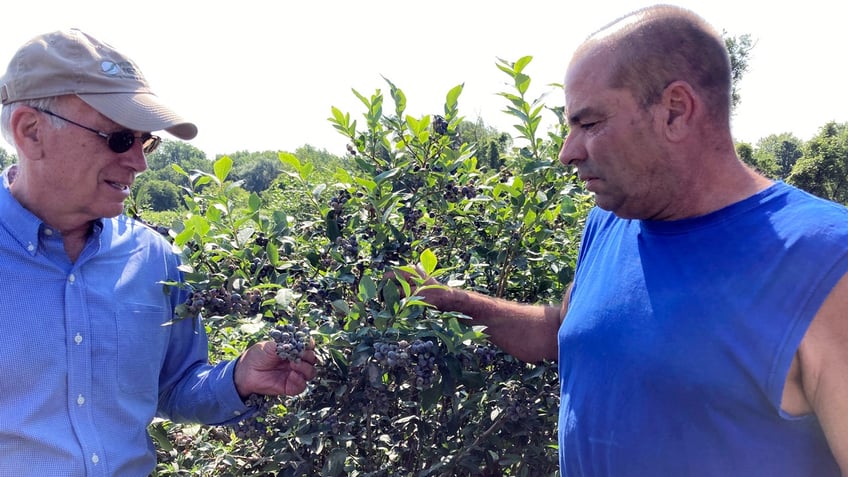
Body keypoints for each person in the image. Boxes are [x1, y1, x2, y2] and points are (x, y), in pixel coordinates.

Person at [399, 4, 848, 476]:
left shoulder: (827, 260)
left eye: (589, 124)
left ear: (675, 111)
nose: (567, 153)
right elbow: (567, 333)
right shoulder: (611, 223)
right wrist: (446, 300)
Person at [0, 29, 317, 476]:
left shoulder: (153, 259)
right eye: (117, 138)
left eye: (145, 141)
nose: (139, 162)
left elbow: (174, 387)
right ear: (31, 132)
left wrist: (240, 378)